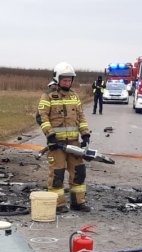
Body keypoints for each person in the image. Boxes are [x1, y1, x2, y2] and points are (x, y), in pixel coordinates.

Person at [37, 62, 91, 213]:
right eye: (64, 80)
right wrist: (50, 136)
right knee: (57, 175)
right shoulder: (47, 96)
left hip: (74, 143)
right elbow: (41, 117)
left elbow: (80, 116)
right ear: (57, 79)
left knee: (79, 173)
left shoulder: (74, 96)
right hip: (57, 145)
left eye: (70, 80)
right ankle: (58, 204)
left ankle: (78, 203)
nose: (68, 82)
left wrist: (85, 134)